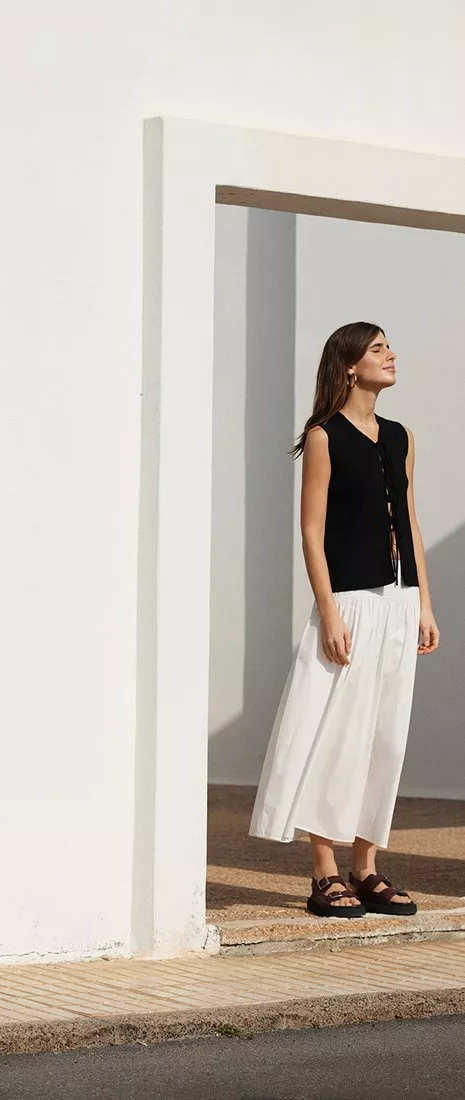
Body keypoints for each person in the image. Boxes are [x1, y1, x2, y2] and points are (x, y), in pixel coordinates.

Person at [249, 322, 439, 919]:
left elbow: (409, 520)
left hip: (399, 600)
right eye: (379, 348)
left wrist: (423, 602)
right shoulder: (324, 436)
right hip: (350, 601)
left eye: (388, 347)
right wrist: (329, 610)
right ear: (351, 365)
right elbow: (311, 531)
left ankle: (367, 867)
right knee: (336, 734)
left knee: (384, 737)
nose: (391, 355)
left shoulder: (402, 436)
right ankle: (324, 873)